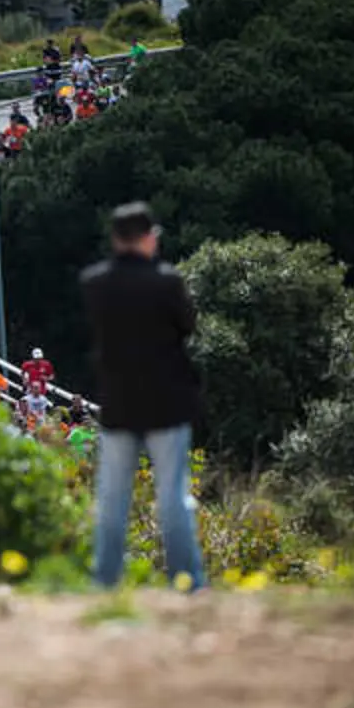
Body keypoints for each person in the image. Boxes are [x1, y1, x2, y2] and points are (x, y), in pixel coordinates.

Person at [79, 201, 205, 591]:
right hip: (166, 400)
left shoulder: (94, 282)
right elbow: (188, 325)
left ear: (116, 240)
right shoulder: (166, 282)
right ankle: (186, 579)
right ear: (149, 237)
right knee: (172, 497)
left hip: (117, 400)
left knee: (112, 498)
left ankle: (105, 579)